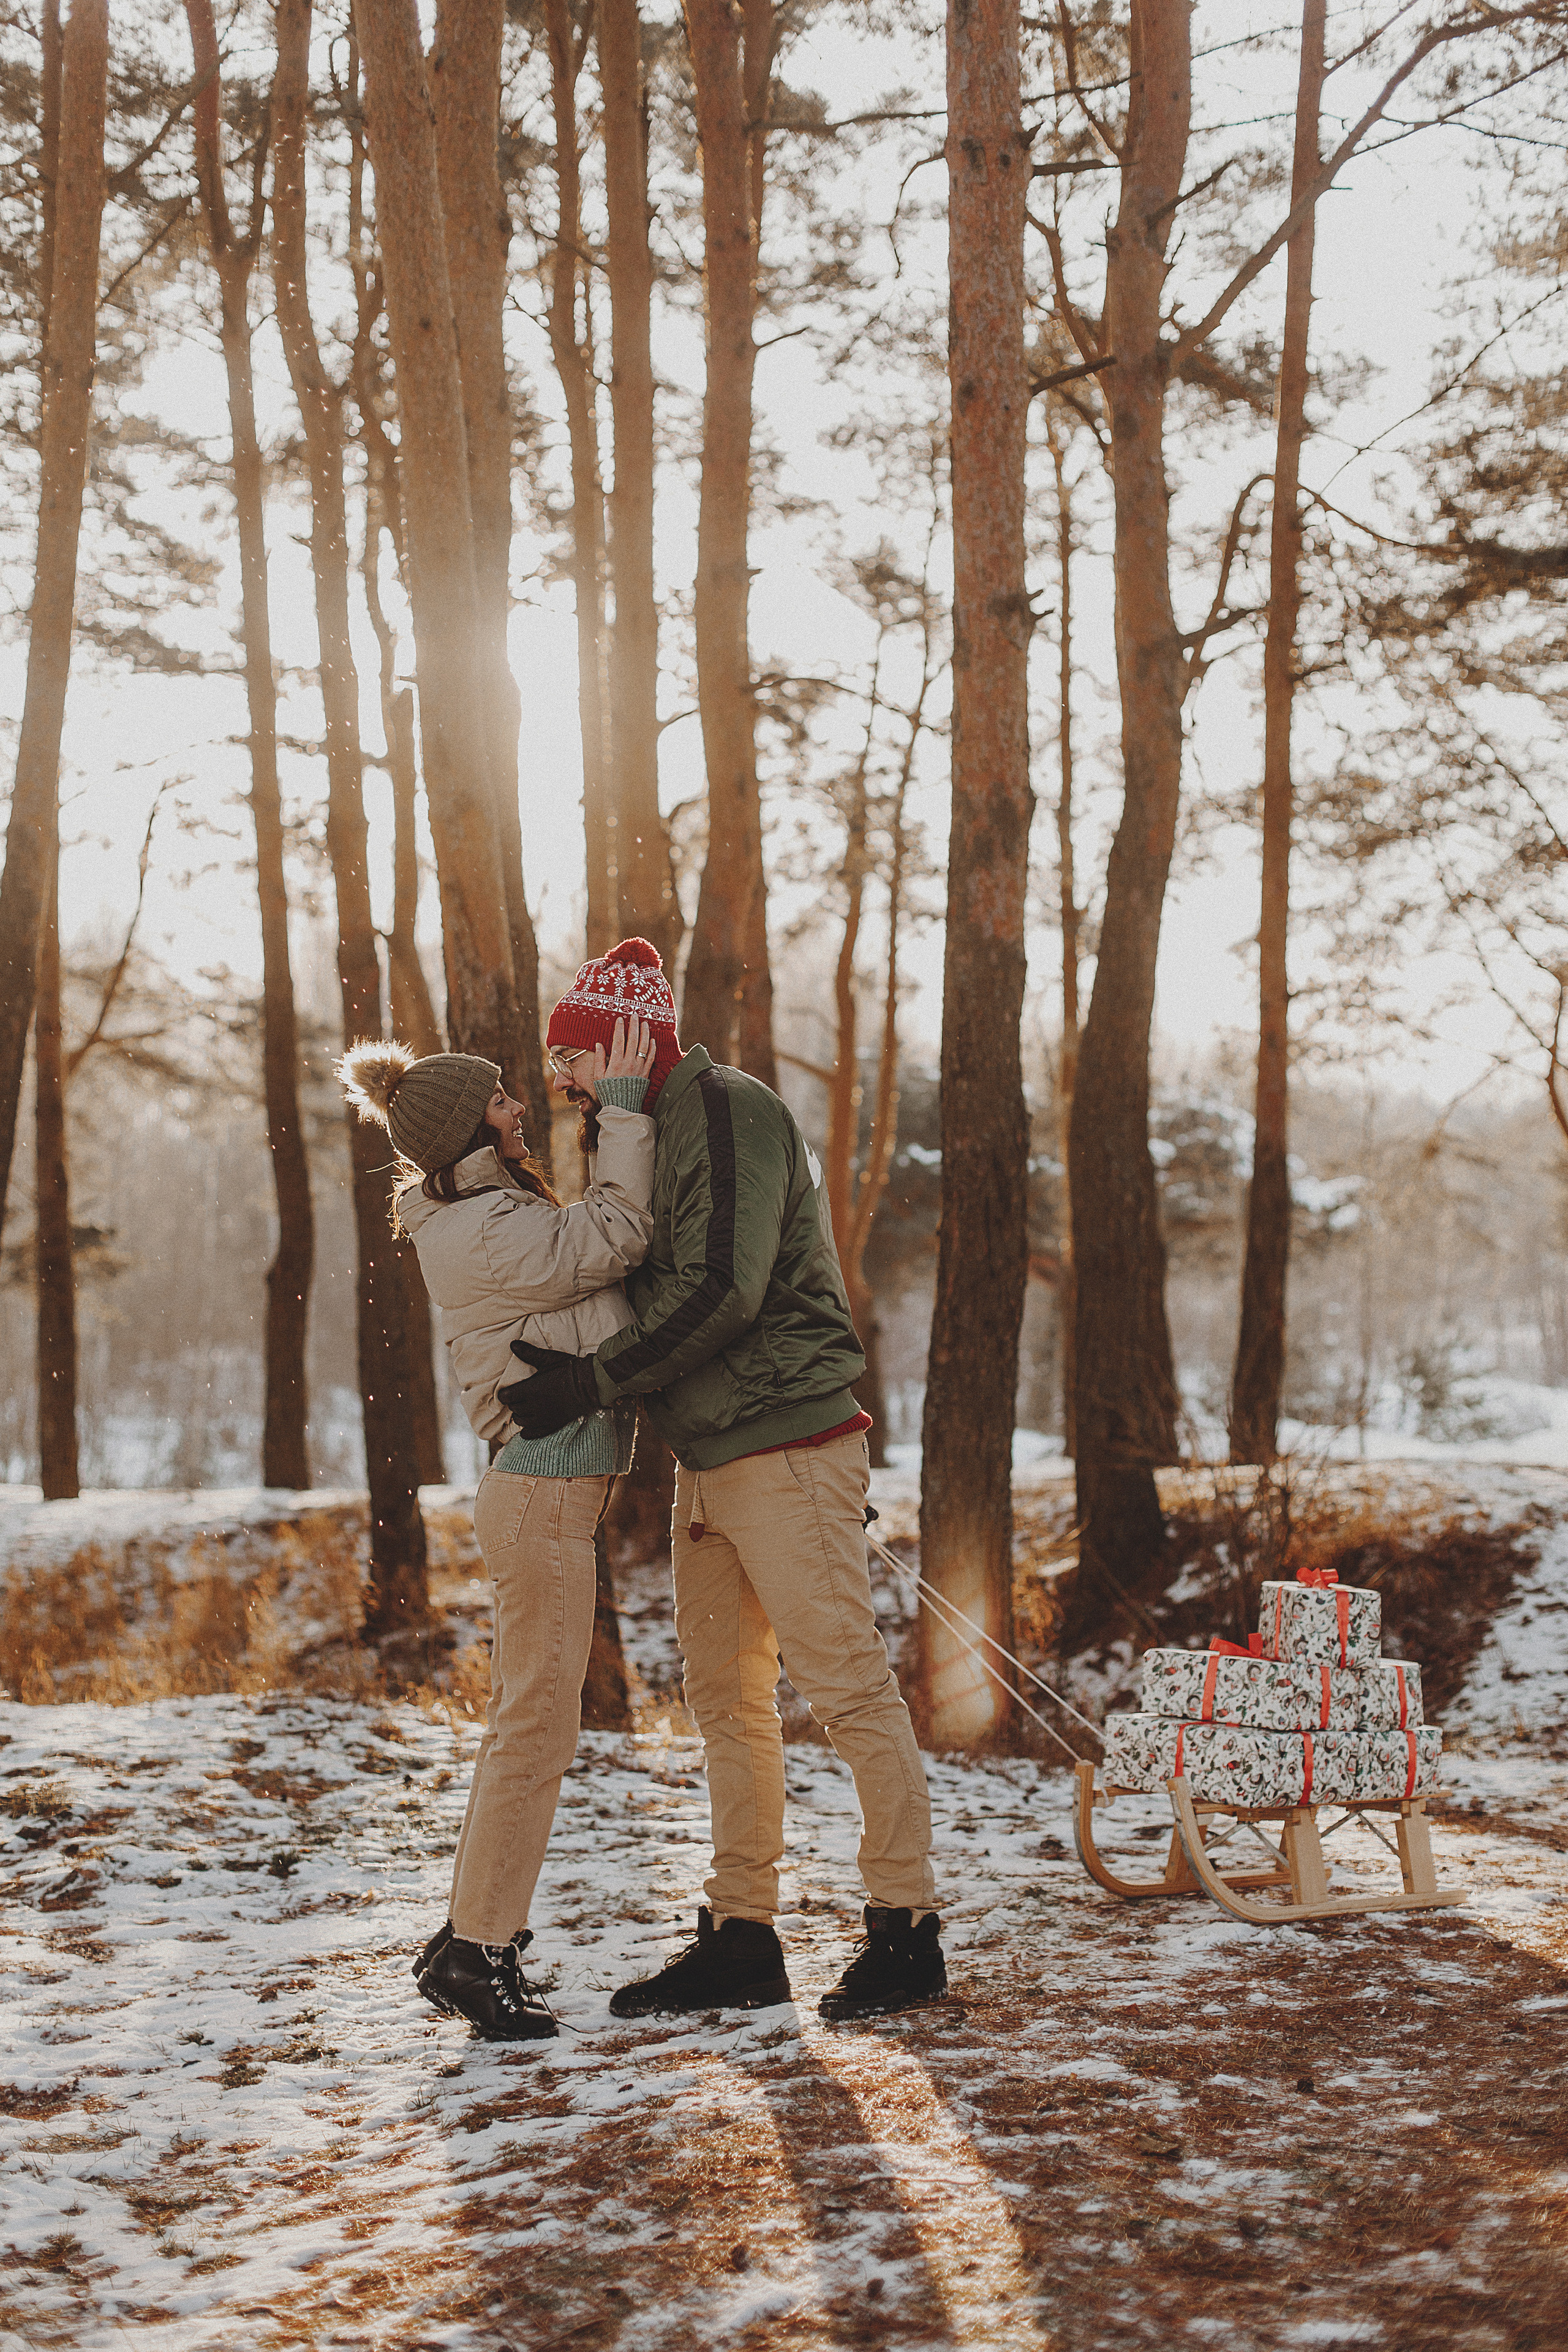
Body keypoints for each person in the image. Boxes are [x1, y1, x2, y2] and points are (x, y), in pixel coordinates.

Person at [500, 938, 945, 2021]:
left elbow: (722, 1293)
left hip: (786, 1446)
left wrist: (592, 1382)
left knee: (845, 1688)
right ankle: (743, 1938)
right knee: (728, 1707)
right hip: (712, 1455)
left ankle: (907, 1931)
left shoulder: (729, 1112)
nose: (560, 1083)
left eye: (571, 1058)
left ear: (619, 1044)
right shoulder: (642, 1135)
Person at [337, 1008, 656, 2041]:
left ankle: (467, 1939)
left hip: (549, 1496)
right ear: (470, 1126)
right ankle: (477, 1951)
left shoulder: (485, 1208)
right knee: (536, 1726)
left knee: (526, 1720)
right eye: (501, 1098)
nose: (520, 1107)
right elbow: (618, 1233)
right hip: (543, 1498)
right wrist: (624, 1115)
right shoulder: (484, 1229)